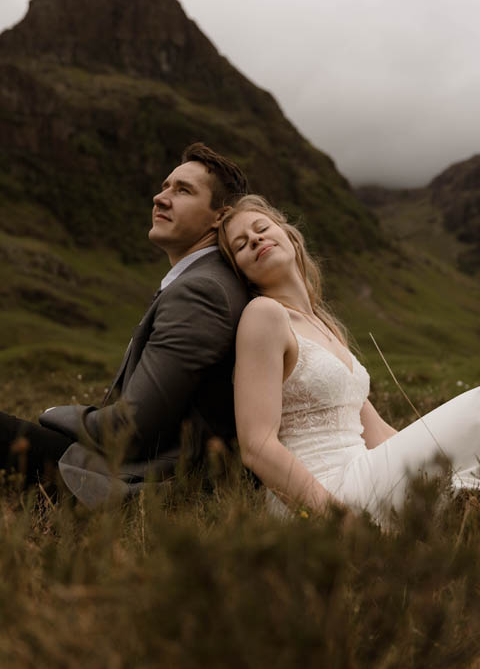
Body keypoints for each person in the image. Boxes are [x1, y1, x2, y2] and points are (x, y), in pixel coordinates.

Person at [0, 143, 249, 507]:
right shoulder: (205, 280)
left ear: (219, 217)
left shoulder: (202, 290)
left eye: (183, 190)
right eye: (165, 187)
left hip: (143, 484)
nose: (160, 198)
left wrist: (54, 414)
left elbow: (130, 432)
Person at [218, 194, 480, 524]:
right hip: (326, 494)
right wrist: (338, 520)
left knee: (467, 474)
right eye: (241, 245)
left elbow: (379, 435)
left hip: (367, 476)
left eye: (261, 228)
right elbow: (257, 445)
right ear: (240, 271)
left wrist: (445, 469)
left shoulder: (324, 325)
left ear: (289, 235)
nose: (255, 239)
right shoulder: (264, 315)